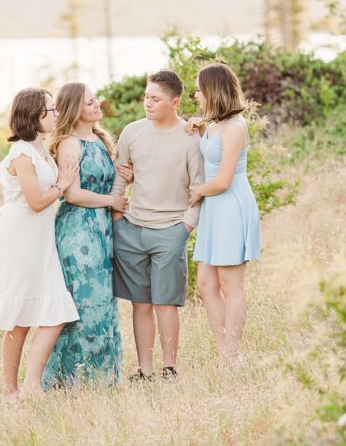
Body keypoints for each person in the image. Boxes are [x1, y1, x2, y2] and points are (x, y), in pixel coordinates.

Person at [0, 88, 81, 403]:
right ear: (35, 116)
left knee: (56, 311)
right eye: (51, 110)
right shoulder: (22, 154)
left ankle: (31, 384)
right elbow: (36, 202)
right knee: (19, 318)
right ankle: (9, 391)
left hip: (41, 239)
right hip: (19, 238)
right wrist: (62, 183)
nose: (56, 114)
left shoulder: (40, 148)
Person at [110, 70, 203, 381]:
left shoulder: (190, 138)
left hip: (171, 229)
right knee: (141, 304)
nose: (147, 103)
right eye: (146, 96)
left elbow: (199, 187)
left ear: (175, 102)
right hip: (132, 229)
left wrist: (185, 229)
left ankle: (170, 369)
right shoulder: (132, 132)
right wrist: (118, 220)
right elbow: (120, 177)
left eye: (155, 99)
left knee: (166, 305)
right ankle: (144, 371)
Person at [42, 83, 131, 389]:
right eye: (89, 102)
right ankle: (73, 380)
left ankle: (103, 377)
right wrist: (111, 202)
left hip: (102, 229)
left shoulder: (101, 138)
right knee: (83, 303)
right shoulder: (69, 143)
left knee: (103, 302)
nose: (96, 105)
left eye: (95, 100)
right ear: (74, 108)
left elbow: (109, 184)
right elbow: (73, 193)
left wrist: (124, 179)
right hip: (79, 230)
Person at [185, 63, 261, 361]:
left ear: (213, 91)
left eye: (199, 90)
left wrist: (197, 192)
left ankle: (232, 353)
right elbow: (211, 149)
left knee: (231, 283)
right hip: (215, 210)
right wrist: (200, 127)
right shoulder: (215, 124)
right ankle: (224, 349)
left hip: (230, 204)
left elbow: (223, 179)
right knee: (205, 283)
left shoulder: (235, 127)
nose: (196, 95)